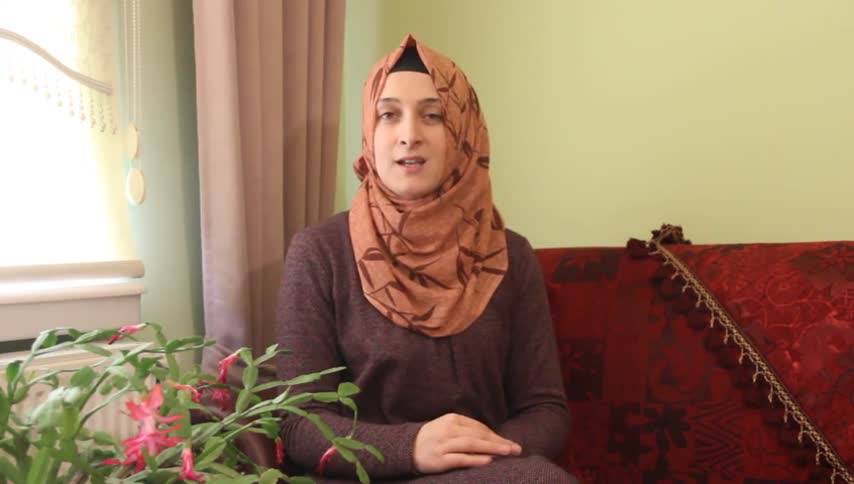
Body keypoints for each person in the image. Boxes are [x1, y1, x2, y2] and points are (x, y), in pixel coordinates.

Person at [275, 34, 576, 483]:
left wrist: (472, 453)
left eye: (433, 115)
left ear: (462, 131)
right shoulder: (320, 253)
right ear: (369, 131)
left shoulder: (510, 254)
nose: (409, 135)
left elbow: (545, 410)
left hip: (489, 472)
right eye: (388, 114)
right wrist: (412, 447)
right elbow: (300, 422)